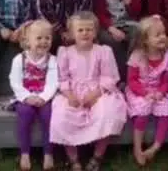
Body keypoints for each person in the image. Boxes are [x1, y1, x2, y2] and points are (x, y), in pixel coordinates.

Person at [51, 12, 129, 171]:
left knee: (107, 111)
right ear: (72, 34)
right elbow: (61, 78)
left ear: (95, 32)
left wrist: (96, 93)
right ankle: (73, 158)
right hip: (72, 92)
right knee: (62, 114)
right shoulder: (65, 52)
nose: (85, 33)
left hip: (98, 90)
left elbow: (109, 76)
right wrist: (69, 95)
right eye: (80, 30)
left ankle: (97, 156)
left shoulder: (103, 51)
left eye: (89, 30)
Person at [10, 19, 59, 171]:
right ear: (27, 41)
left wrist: (43, 98)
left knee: (48, 115)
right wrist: (27, 97)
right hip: (25, 97)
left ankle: (48, 153)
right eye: (39, 38)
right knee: (25, 113)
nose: (44, 42)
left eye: (47, 38)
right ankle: (25, 153)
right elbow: (15, 82)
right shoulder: (19, 59)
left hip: (45, 97)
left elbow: (53, 82)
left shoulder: (52, 60)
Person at [124, 16, 168, 166]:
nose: (162, 37)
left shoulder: (167, 57)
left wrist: (161, 92)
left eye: (163, 33)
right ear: (145, 40)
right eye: (157, 35)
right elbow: (131, 81)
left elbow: (166, 82)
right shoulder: (137, 56)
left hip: (158, 91)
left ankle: (155, 147)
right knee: (142, 111)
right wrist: (145, 93)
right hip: (139, 91)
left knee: (167, 111)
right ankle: (137, 148)